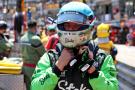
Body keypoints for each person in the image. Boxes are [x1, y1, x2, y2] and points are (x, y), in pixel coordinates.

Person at [31, 2, 118, 90]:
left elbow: (113, 88)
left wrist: (94, 72)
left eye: (76, 25)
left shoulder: (102, 58)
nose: (70, 29)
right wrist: (57, 67)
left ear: (90, 28)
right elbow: (35, 87)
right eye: (67, 25)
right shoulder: (51, 58)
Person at [20, 20, 45, 90]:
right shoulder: (35, 39)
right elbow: (43, 54)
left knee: (28, 86)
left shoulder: (22, 38)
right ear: (35, 27)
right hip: (34, 68)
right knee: (36, 86)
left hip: (25, 67)